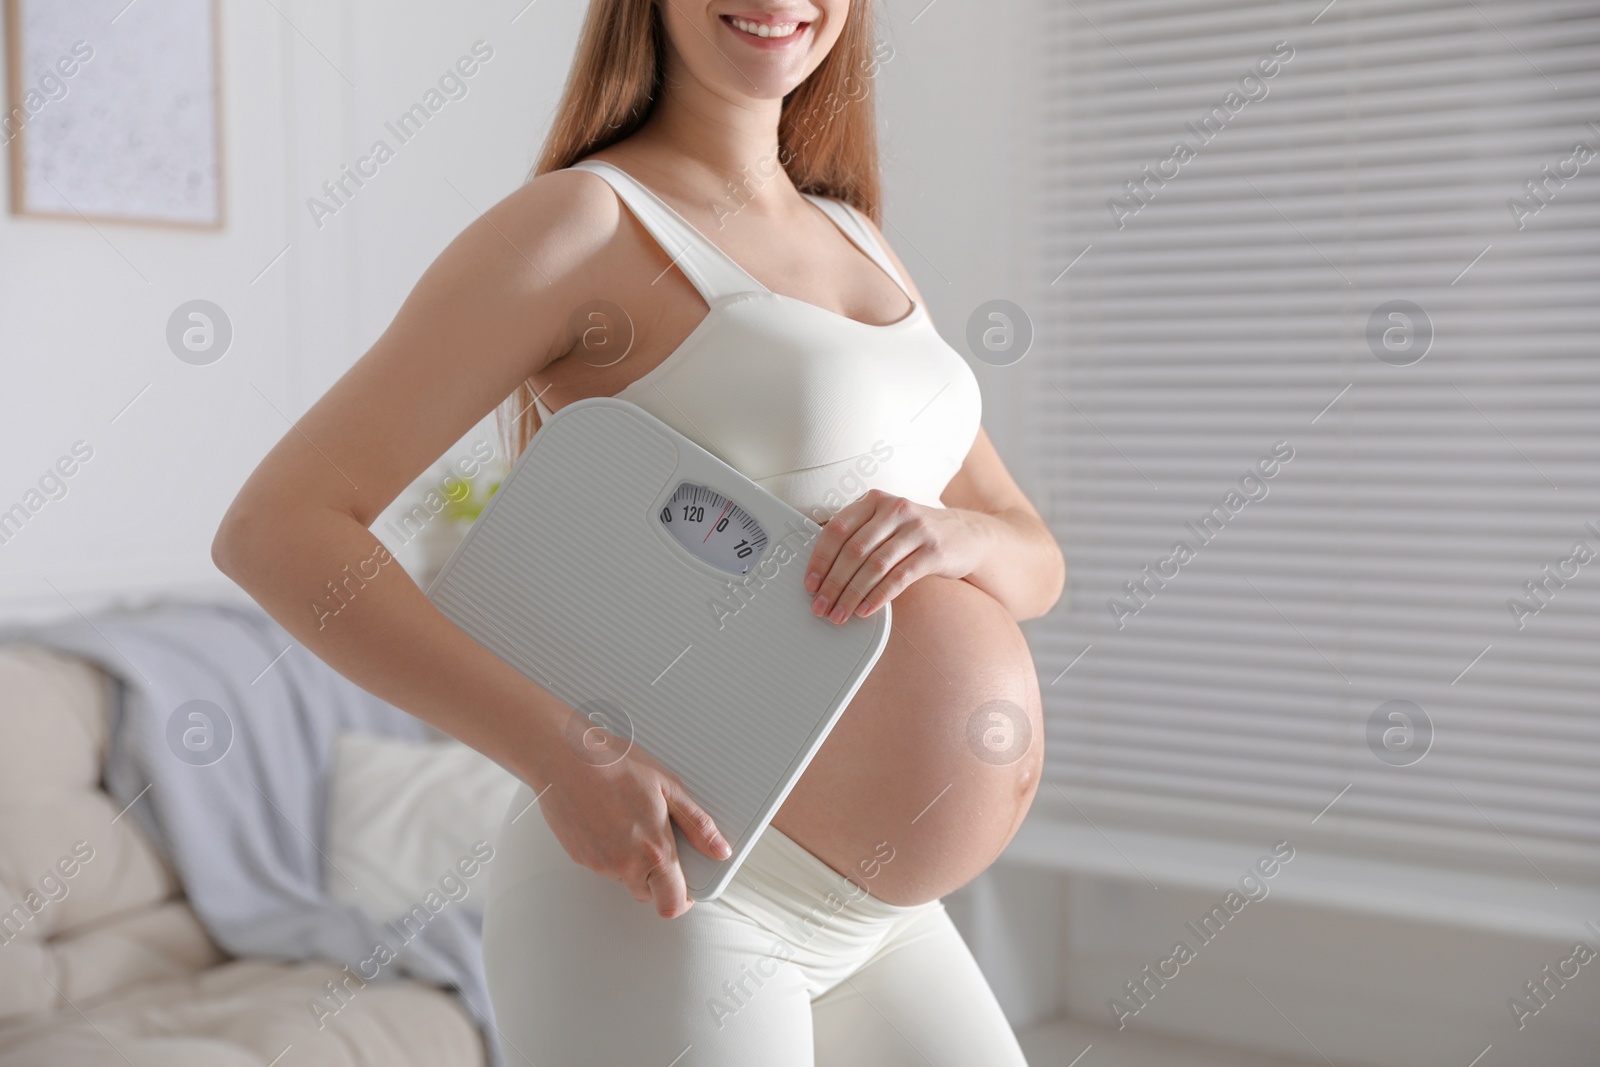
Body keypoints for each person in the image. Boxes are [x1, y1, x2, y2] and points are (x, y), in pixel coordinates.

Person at [214, 0, 1065, 1062]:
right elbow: (277, 527)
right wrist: (560, 753)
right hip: (680, 887)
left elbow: (1032, 553)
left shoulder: (860, 241)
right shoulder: (584, 223)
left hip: (882, 921)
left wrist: (959, 540)